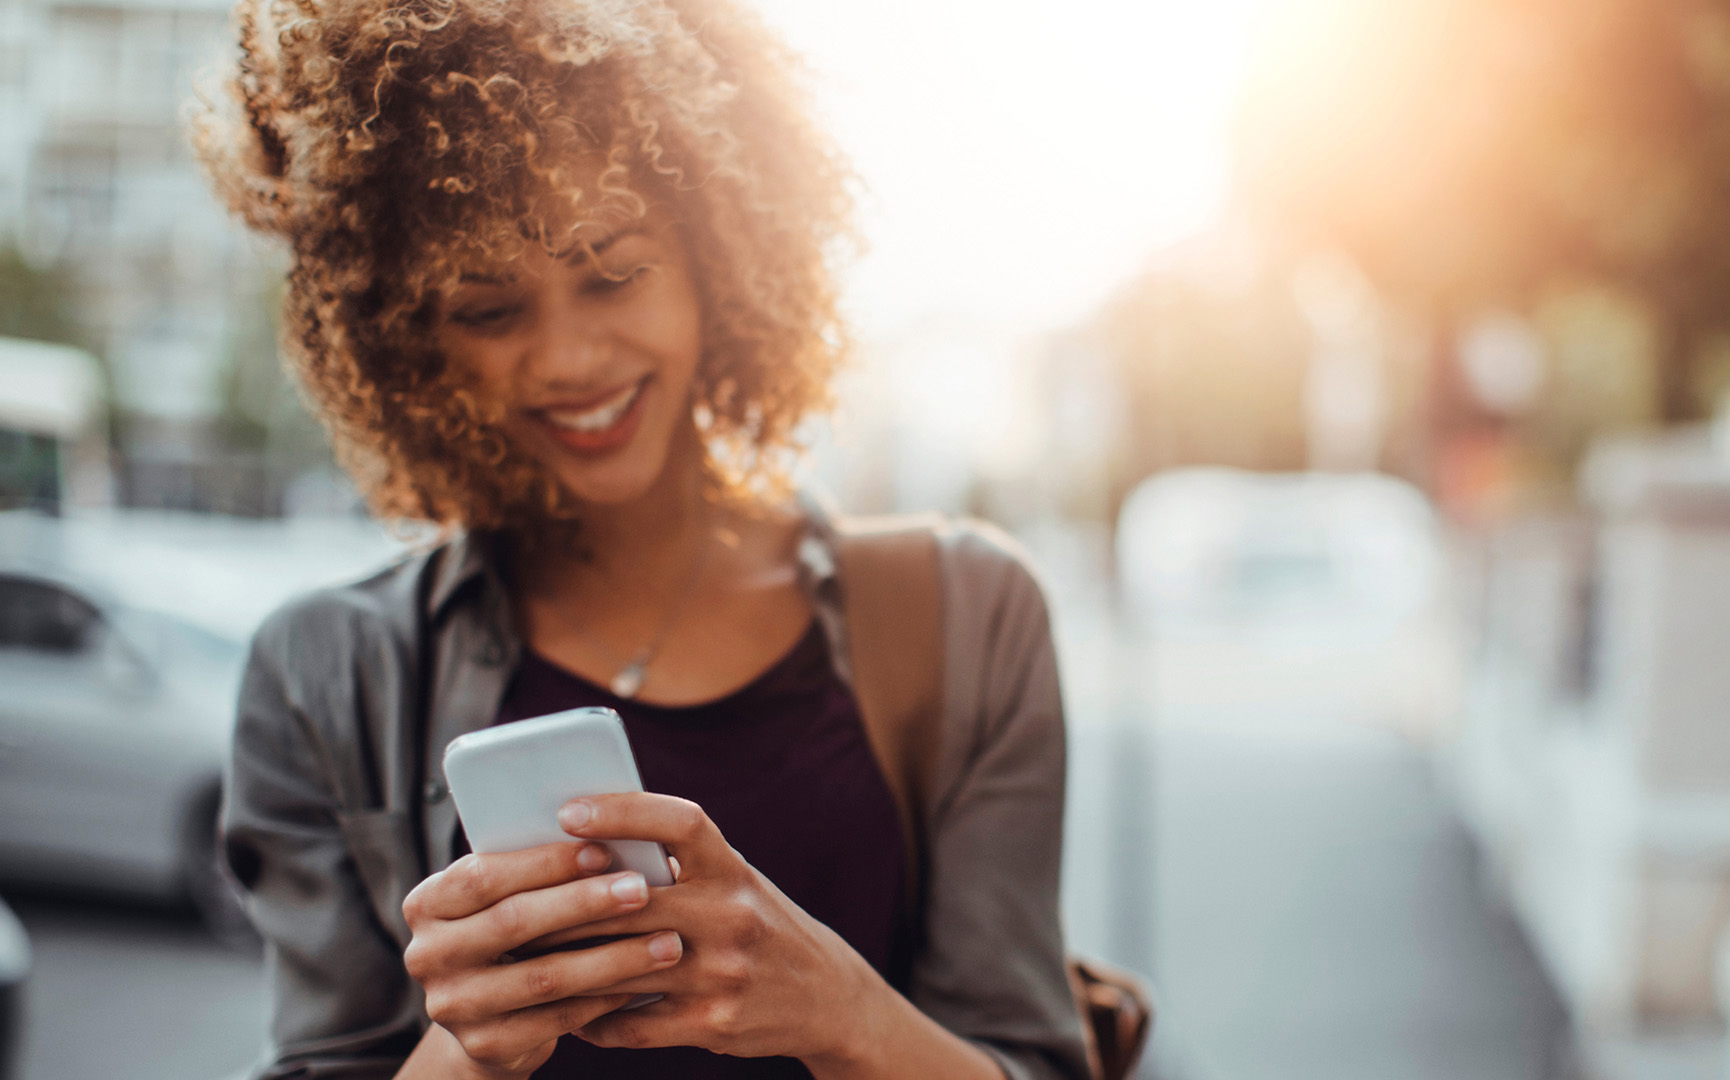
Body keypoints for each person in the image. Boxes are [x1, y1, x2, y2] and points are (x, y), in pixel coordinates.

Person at [191, 0, 1088, 1076]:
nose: (567, 359)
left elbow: (1034, 1058)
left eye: (611, 273)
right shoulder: (320, 674)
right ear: (404, 339)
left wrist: (838, 1007)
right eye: (487, 310)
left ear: (720, 251)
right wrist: (470, 1046)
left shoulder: (967, 615)